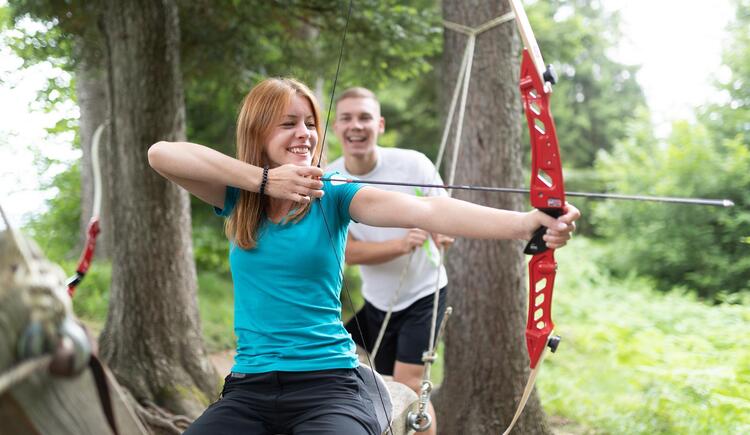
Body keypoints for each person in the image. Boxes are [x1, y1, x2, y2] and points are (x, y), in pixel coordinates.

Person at [148, 77, 580, 435]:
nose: (305, 133)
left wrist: (526, 224)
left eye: (310, 123)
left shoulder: (331, 193)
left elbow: (429, 209)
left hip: (329, 388)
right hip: (249, 389)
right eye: (288, 123)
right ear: (258, 132)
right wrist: (263, 181)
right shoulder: (240, 198)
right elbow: (162, 154)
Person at [329, 87, 456, 434]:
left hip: (423, 293)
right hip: (377, 302)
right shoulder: (331, 178)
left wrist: (442, 232)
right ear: (337, 128)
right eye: (347, 118)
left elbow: (443, 212)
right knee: (382, 388)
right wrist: (400, 245)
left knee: (410, 385)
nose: (357, 125)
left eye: (365, 117)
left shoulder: (413, 163)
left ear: (380, 124)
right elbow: (347, 253)